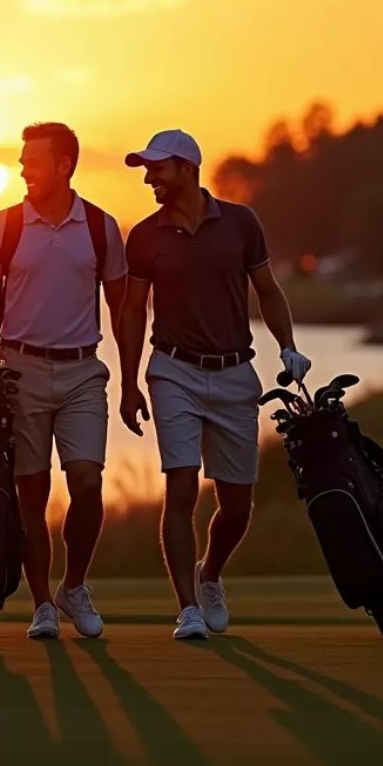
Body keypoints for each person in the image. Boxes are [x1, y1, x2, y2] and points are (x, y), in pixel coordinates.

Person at [118, 129, 310, 640]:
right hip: (173, 370)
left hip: (233, 372)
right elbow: (133, 310)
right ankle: (188, 610)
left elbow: (267, 291)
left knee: (237, 504)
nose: (149, 178)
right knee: (180, 488)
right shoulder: (144, 235)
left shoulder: (241, 223)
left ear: (186, 167)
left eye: (156, 168)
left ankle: (210, 574)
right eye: (146, 169)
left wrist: (287, 347)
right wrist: (130, 382)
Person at [0, 122, 128, 640]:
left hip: (84, 371)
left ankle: (73, 586)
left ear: (65, 165)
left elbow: (122, 309)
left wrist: (130, 381)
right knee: (30, 493)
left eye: (32, 161)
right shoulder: (5, 225)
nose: (22, 169)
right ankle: (41, 603)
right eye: (22, 160)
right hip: (21, 371)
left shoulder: (102, 227)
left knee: (86, 481)